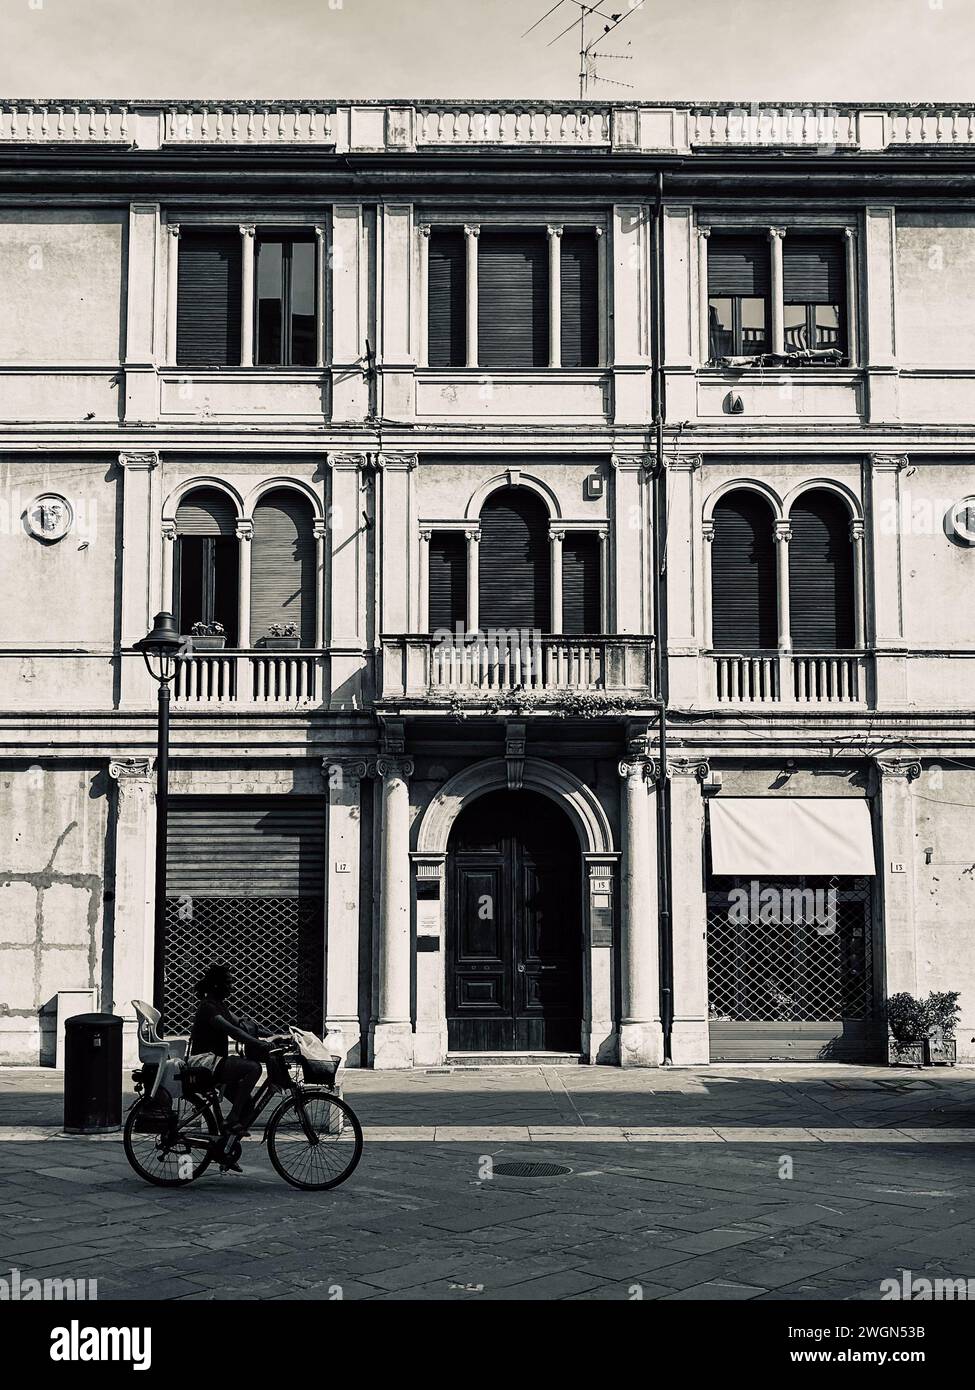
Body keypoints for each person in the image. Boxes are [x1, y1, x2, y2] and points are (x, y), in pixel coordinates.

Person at [188, 964, 274, 1171]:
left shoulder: (220, 1005)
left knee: (248, 1105)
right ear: (217, 985)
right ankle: (232, 1118)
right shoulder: (208, 1007)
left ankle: (225, 1147)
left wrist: (271, 1035)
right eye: (227, 983)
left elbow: (243, 1025)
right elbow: (234, 1031)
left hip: (216, 1062)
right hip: (205, 1062)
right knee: (253, 1068)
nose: (231, 987)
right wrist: (258, 1044)